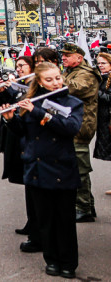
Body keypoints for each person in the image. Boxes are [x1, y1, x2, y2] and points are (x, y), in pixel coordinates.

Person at [1, 62, 83, 278]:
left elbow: (70, 128)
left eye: (58, 78)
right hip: (37, 168)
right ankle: (52, 260)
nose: (56, 83)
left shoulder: (73, 102)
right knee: (45, 220)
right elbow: (24, 132)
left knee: (64, 220)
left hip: (62, 168)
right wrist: (11, 120)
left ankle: (68, 263)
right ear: (39, 82)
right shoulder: (31, 102)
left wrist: (38, 112)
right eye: (49, 80)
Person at [0, 55, 38, 249]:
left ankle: (36, 226)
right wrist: (2, 91)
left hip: (24, 136)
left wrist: (12, 89)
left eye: (23, 66)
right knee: (26, 183)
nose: (19, 69)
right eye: (18, 66)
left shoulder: (33, 87)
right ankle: (32, 222)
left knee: (31, 184)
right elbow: (6, 104)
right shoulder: (20, 83)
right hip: (13, 129)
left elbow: (22, 105)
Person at [60, 42, 101, 222]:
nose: (63, 58)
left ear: (79, 58)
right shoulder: (73, 72)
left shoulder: (87, 74)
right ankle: (87, 206)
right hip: (74, 124)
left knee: (79, 169)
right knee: (76, 167)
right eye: (63, 55)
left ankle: (83, 207)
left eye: (67, 55)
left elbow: (75, 89)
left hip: (81, 126)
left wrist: (56, 79)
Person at [93, 51, 111, 196]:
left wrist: (95, 92)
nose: (100, 66)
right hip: (104, 121)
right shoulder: (101, 78)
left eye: (103, 63)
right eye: (99, 63)